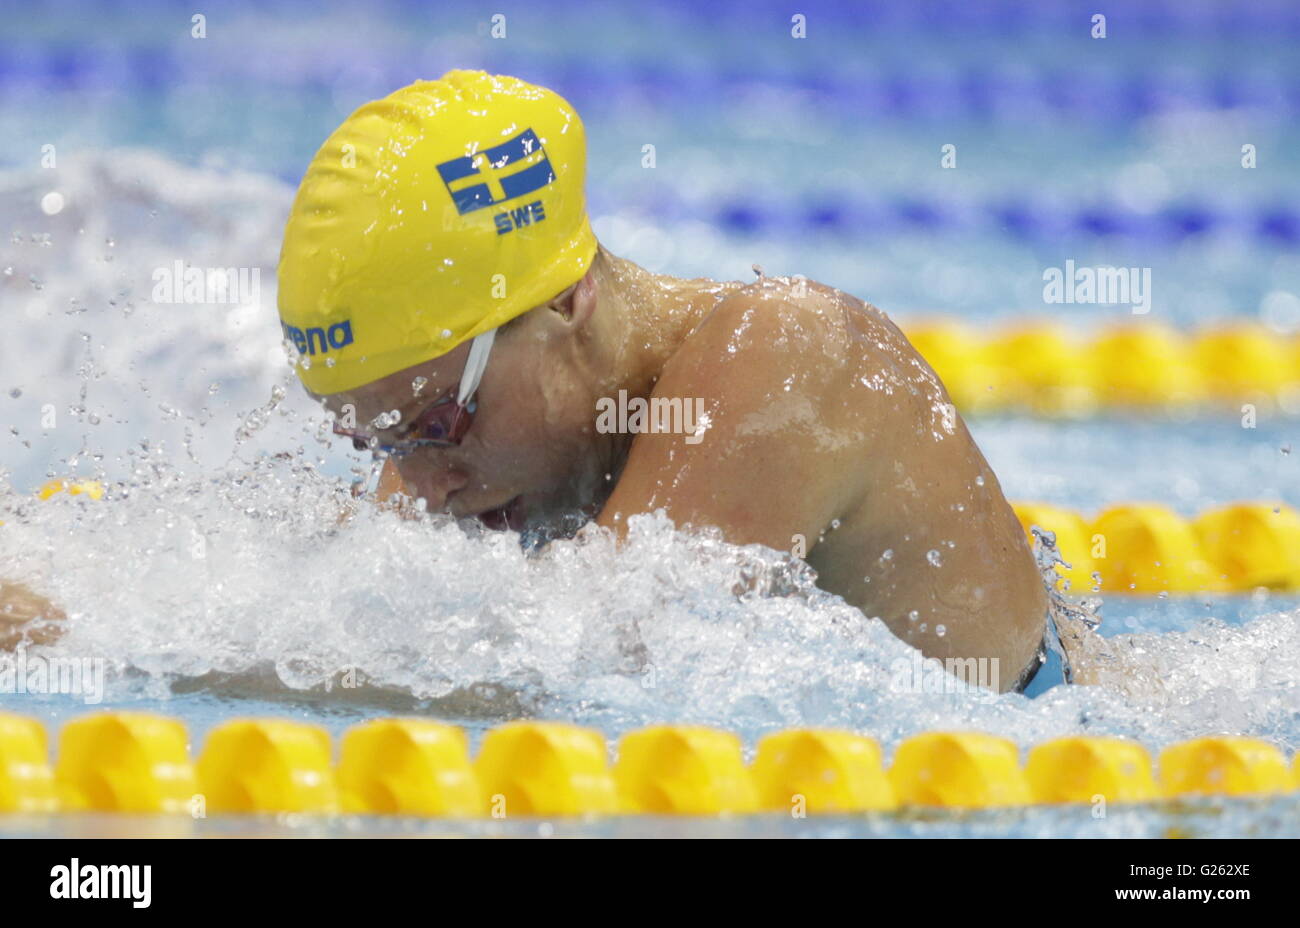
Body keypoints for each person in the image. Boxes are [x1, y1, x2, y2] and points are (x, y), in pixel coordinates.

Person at [273, 70, 1055, 693]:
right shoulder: (447, 448)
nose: (422, 484)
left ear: (563, 299)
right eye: (377, 439)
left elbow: (589, 672)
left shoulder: (788, 349)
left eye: (438, 423)